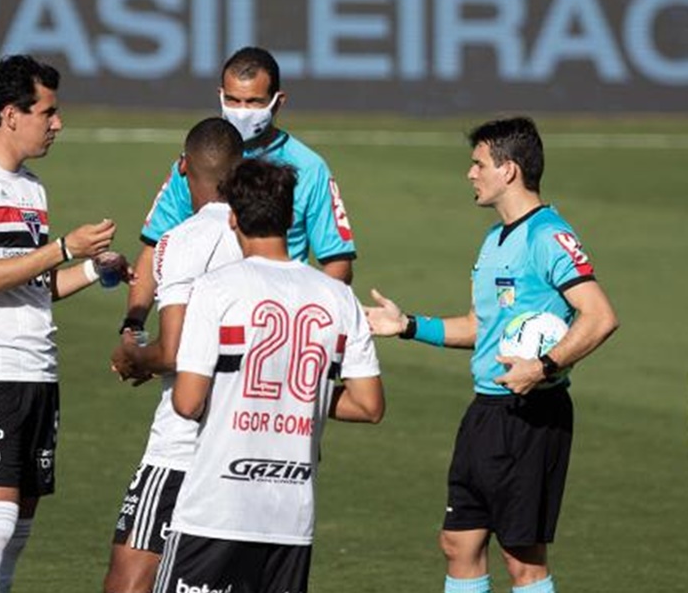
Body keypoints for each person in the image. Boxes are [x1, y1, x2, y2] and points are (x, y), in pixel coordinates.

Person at [364, 117, 619, 593]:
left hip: (531, 414)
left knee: (522, 560)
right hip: (485, 410)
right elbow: (480, 328)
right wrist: (408, 326)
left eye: (478, 163)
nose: (470, 174)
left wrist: (543, 367)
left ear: (510, 170)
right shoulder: (493, 240)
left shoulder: (548, 236)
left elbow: (600, 316)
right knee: (458, 542)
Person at [0, 54, 126, 592]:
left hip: (38, 373)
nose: (57, 124)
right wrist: (64, 246)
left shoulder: (32, 188)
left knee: (14, 538)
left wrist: (91, 269)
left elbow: (33, 286)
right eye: (49, 112)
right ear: (12, 114)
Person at [153, 159, 385, 593]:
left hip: (216, 509)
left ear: (234, 218)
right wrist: (298, 396)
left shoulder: (216, 288)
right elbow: (369, 405)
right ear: (290, 216)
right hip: (290, 519)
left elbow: (187, 402)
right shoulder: (338, 297)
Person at [121, 46, 356, 334]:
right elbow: (154, 247)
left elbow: (337, 262)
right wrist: (133, 327)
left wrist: (306, 328)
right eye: (232, 100)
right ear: (220, 95)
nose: (242, 112)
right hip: (207, 323)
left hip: (277, 325)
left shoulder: (309, 168)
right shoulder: (197, 161)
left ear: (277, 102)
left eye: (254, 102)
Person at [104, 118, 245, 593]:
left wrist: (133, 357)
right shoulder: (269, 241)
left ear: (183, 167)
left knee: (129, 577)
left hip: (184, 448)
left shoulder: (182, 239)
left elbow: (177, 351)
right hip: (250, 444)